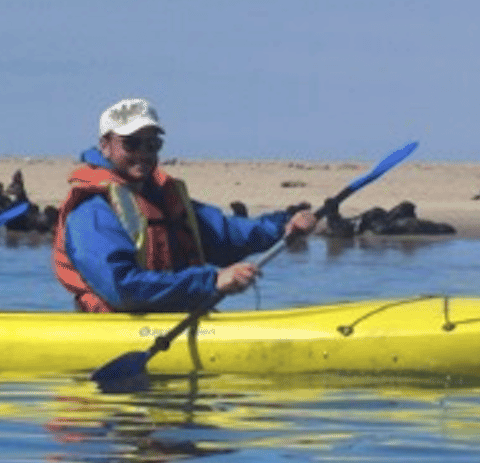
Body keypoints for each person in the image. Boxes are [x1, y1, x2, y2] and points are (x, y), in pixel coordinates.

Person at [52, 97, 317, 313]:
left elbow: (229, 235)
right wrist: (212, 281)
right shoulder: (92, 211)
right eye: (131, 143)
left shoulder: (163, 199)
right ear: (105, 146)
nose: (143, 153)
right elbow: (122, 290)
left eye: (152, 144)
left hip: (173, 318)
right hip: (119, 327)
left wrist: (284, 225)